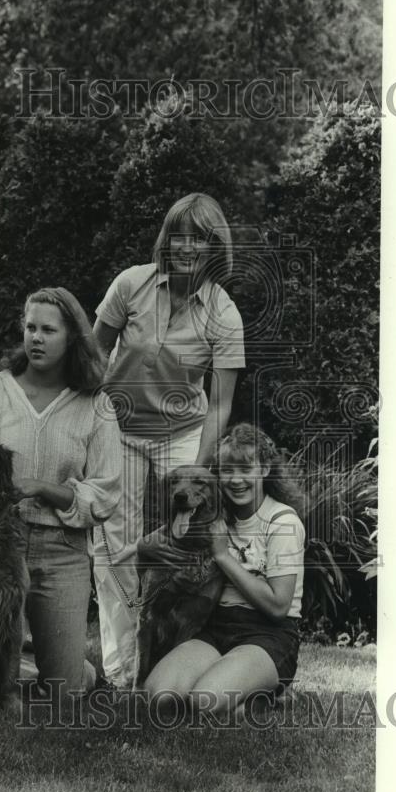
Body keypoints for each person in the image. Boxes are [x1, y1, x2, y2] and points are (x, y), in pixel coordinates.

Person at [92, 192, 246, 688]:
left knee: (183, 547)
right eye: (178, 234)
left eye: (199, 239)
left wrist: (199, 468)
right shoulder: (130, 284)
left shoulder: (223, 313)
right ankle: (121, 673)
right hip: (118, 432)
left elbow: (220, 402)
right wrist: (89, 427)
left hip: (182, 437)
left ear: (213, 248)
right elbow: (93, 356)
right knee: (115, 548)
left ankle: (174, 665)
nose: (186, 246)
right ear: (166, 238)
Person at [0, 287, 122, 702]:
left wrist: (42, 488)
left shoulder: (96, 405)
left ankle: (55, 660)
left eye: (48, 330)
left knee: (65, 695)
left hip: (62, 552)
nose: (36, 338)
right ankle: (24, 655)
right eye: (30, 327)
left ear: (72, 338)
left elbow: (104, 495)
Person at [144, 423, 305, 717]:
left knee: (203, 702)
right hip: (217, 628)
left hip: (268, 633)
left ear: (265, 470)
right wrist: (144, 548)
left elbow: (279, 606)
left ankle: (272, 694)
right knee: (159, 696)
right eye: (228, 471)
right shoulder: (214, 514)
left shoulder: (282, 521)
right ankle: (235, 684)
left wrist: (222, 555)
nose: (236, 480)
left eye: (246, 470)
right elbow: (156, 538)